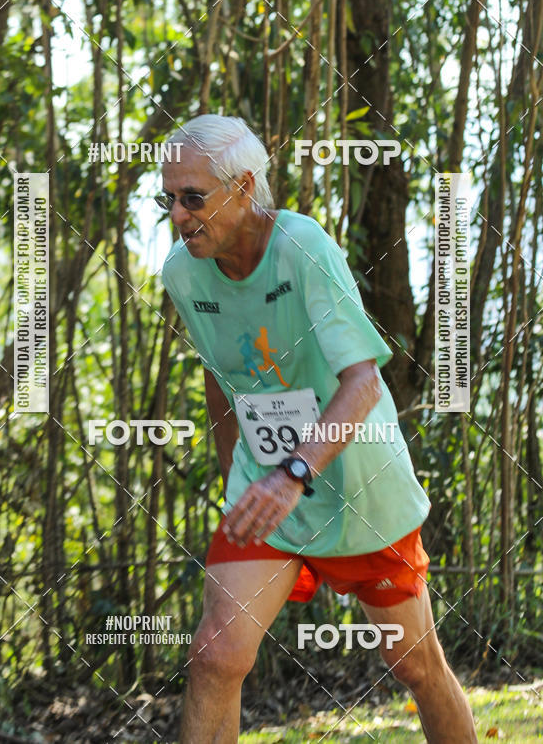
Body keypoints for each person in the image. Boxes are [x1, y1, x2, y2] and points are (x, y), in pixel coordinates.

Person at [158, 115, 477, 743]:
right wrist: (239, 482)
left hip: (358, 485)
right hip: (268, 487)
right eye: (167, 198)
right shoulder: (182, 274)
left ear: (245, 187)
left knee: (414, 665)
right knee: (216, 655)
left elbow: (364, 382)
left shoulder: (303, 248)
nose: (177, 215)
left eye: (192, 197)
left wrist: (295, 471)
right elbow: (219, 378)